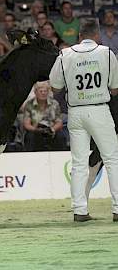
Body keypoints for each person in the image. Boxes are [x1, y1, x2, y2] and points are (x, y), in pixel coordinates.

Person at [49, 19, 118, 222]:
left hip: (76, 112)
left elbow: (55, 86)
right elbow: (115, 89)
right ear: (97, 35)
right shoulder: (106, 53)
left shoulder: (65, 54)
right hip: (99, 110)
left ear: (79, 35)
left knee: (79, 163)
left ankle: (80, 210)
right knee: (112, 159)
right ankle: (116, 208)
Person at [23, 81, 65, 151]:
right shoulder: (29, 104)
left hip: (50, 130)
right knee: (29, 137)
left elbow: (59, 122)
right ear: (35, 92)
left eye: (45, 91)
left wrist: (52, 129)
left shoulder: (54, 103)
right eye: (41, 91)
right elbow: (26, 124)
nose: (43, 93)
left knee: (61, 136)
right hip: (35, 130)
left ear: (48, 92)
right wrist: (36, 130)